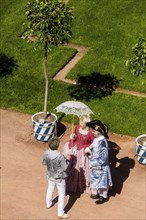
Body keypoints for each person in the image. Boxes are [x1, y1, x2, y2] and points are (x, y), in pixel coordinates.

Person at [63, 115, 94, 193]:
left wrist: (89, 148)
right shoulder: (77, 127)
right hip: (76, 150)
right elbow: (75, 136)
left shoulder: (90, 132)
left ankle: (83, 185)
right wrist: (73, 137)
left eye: (82, 122)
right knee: (74, 166)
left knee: (84, 168)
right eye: (80, 122)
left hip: (84, 153)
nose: (80, 124)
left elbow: (93, 143)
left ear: (86, 124)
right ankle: (73, 184)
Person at [85, 120, 113, 204]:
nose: (92, 132)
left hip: (101, 166)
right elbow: (93, 146)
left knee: (102, 182)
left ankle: (103, 196)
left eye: (94, 131)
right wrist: (89, 149)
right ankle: (96, 193)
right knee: (95, 180)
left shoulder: (103, 142)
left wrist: (94, 163)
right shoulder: (96, 139)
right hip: (95, 164)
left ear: (99, 132)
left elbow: (103, 158)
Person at [42, 137, 71, 219]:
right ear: (57, 146)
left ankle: (48, 204)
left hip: (50, 175)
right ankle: (60, 213)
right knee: (62, 194)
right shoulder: (60, 156)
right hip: (59, 178)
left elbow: (44, 163)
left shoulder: (46, 153)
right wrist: (67, 160)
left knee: (50, 188)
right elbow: (65, 168)